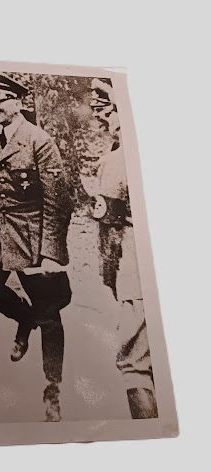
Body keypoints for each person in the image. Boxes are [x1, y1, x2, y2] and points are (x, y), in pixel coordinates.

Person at [0, 72, 73, 422]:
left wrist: (51, 253)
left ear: (18, 102)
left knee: (49, 313)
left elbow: (59, 201)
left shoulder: (39, 140)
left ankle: (52, 387)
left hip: (31, 232)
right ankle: (23, 318)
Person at [87, 78, 158, 418]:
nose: (101, 119)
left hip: (136, 267)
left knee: (134, 364)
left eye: (107, 111)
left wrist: (111, 280)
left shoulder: (117, 160)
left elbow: (110, 229)